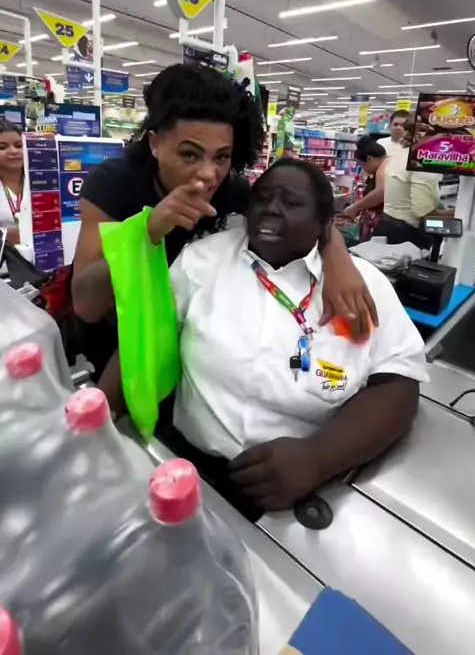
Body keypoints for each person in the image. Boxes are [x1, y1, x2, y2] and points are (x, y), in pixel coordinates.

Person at [73, 159, 426, 515]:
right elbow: (144, 340)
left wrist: (318, 457)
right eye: (263, 198)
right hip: (185, 468)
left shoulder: (364, 286)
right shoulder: (203, 260)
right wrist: (99, 418)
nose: (272, 208)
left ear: (324, 222)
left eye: (291, 202)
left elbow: (398, 382)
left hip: (301, 494)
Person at [74, 64, 378, 379]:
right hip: (119, 341)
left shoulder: (232, 191)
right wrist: (148, 231)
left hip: (188, 342)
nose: (209, 174)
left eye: (221, 157)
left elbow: (300, 219)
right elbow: (86, 305)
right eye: (190, 155)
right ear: (155, 143)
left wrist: (338, 259)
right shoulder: (114, 185)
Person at [375, 118, 441, 248]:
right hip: (408, 234)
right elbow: (422, 211)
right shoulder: (421, 162)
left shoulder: (399, 153)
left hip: (388, 223)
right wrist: (457, 214)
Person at [343, 137, 388, 239]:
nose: (364, 170)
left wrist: (354, 208)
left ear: (369, 159)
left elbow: (380, 193)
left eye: (362, 165)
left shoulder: (383, 168)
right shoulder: (387, 165)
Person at [0, 120, 25, 245]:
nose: (14, 151)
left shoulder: (44, 182)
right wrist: (7, 235)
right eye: (2, 147)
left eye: (19, 145)